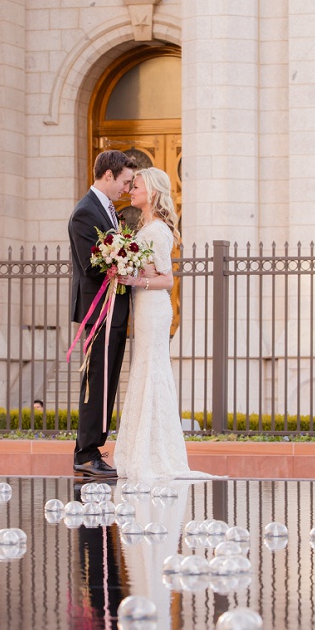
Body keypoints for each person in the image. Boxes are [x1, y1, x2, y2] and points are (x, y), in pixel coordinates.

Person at [114, 168, 220, 480]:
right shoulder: (145, 226)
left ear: (154, 192)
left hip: (154, 309)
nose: (132, 190)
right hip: (144, 308)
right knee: (146, 369)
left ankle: (154, 453)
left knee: (152, 369)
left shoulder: (158, 231)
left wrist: (133, 279)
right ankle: (142, 449)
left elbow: (166, 280)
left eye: (137, 186)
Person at [67, 150, 137, 477]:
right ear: (108, 175)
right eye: (125, 181)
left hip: (115, 308)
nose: (127, 188)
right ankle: (85, 452)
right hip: (99, 310)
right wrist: (122, 262)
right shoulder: (85, 212)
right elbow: (90, 264)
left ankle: (95, 447)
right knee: (96, 380)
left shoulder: (108, 210)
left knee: (107, 380)